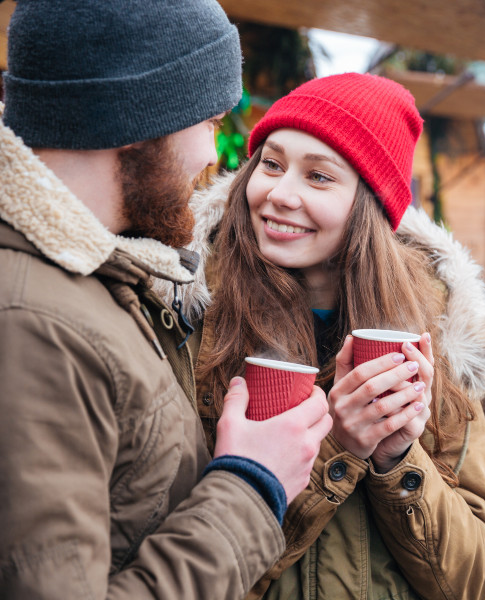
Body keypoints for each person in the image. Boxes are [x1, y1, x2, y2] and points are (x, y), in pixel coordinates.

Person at [0, 1, 332, 597]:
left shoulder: (94, 280)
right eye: (210, 122)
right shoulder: (34, 322)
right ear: (137, 115)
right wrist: (252, 484)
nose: (214, 156)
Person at [184, 73, 485, 599]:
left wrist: (397, 458)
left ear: (369, 204)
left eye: (318, 176)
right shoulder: (191, 316)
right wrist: (340, 446)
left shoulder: (434, 334)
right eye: (272, 164)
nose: (279, 194)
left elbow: (469, 582)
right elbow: (181, 570)